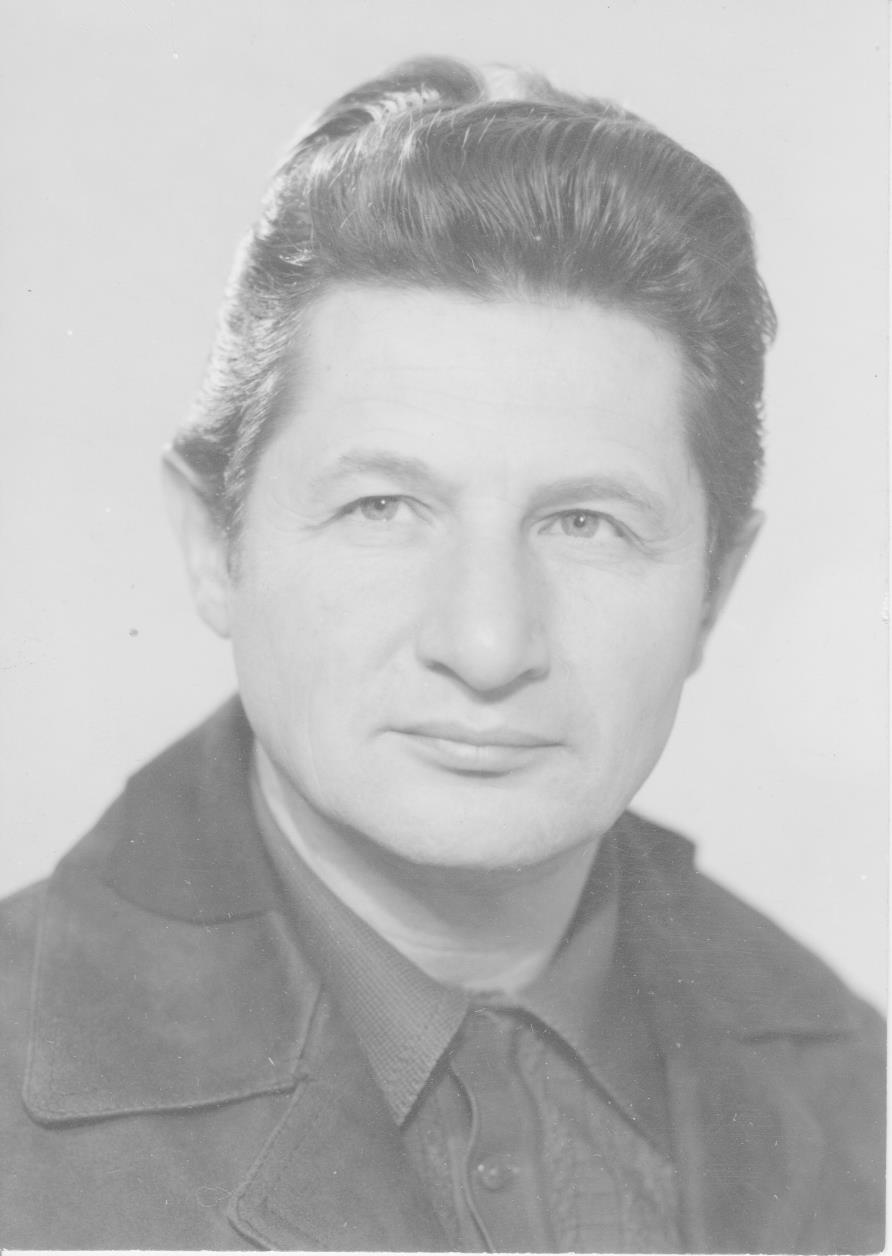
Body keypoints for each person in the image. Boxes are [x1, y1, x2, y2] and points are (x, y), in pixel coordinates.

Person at [0, 56, 883, 1253]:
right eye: (382, 507)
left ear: (715, 584)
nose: (486, 643)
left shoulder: (856, 1079)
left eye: (585, 523)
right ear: (213, 543)